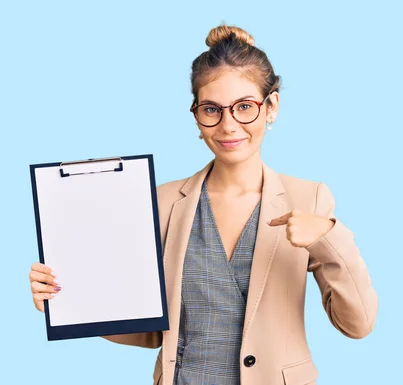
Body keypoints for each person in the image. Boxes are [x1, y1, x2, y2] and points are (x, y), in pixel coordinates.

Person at [28, 24, 378, 385]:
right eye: (212, 109)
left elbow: (358, 325)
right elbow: (151, 332)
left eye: (245, 106)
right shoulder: (162, 202)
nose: (228, 125)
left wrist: (328, 238)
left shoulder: (309, 199)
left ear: (271, 106)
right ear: (196, 113)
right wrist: (70, 300)